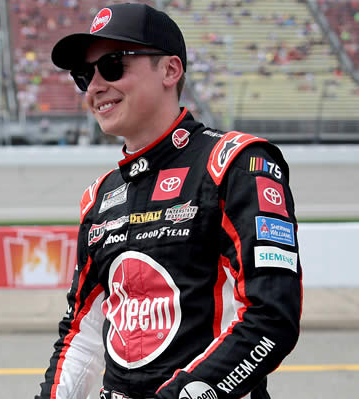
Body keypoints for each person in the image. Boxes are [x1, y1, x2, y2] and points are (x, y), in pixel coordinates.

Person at [36, 4, 302, 399]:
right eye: (83, 75)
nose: (94, 86)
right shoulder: (99, 197)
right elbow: (83, 332)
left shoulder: (234, 164)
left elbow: (269, 319)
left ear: (170, 70)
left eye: (111, 65)